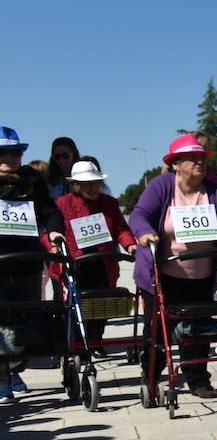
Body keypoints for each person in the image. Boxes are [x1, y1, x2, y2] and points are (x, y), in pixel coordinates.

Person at [130, 134, 217, 400]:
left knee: (198, 331)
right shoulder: (161, 186)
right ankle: (150, 377)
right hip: (163, 276)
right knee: (157, 332)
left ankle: (198, 380)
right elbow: (140, 214)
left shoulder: (213, 190)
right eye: (192, 157)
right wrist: (145, 233)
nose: (199, 161)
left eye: (202, 157)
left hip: (201, 275)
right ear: (175, 164)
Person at [0, 126, 64, 402]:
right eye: (5, 152)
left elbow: (48, 208)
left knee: (23, 319)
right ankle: (1, 379)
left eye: (16, 152)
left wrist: (53, 229)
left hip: (26, 258)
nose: (12, 157)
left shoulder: (32, 179)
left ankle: (14, 370)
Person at [54, 158, 136, 347]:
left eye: (95, 183)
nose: (91, 188)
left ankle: (96, 340)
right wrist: (55, 244)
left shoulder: (109, 203)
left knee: (101, 305)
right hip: (76, 263)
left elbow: (121, 229)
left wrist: (130, 245)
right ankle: (78, 343)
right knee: (76, 305)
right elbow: (49, 232)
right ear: (75, 185)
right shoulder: (62, 204)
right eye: (86, 184)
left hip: (103, 262)